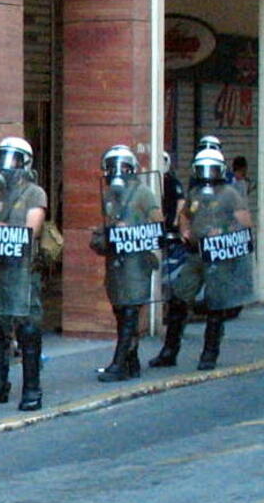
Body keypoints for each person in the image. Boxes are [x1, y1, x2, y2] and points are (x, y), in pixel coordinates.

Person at [150, 148, 253, 371]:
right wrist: (185, 231)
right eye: (203, 169)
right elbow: (185, 215)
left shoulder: (230, 193)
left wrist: (223, 230)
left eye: (211, 169)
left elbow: (245, 223)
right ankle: (169, 351)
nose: (207, 173)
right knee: (179, 299)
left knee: (215, 305)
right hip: (196, 254)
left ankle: (209, 354)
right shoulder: (195, 194)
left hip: (218, 256)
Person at [0, 137, 47, 411]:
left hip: (23, 271)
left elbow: (31, 230)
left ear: (25, 162)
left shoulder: (34, 193)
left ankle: (32, 389)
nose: (6, 165)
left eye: (12, 159)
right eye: (2, 157)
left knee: (26, 329)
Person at [89, 146, 163, 382]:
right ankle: (132, 361)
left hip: (137, 261)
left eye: (122, 166)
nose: (116, 171)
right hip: (116, 260)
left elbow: (158, 224)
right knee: (120, 309)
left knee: (131, 309)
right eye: (111, 166)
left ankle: (119, 363)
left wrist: (132, 230)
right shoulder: (109, 194)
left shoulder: (143, 193)